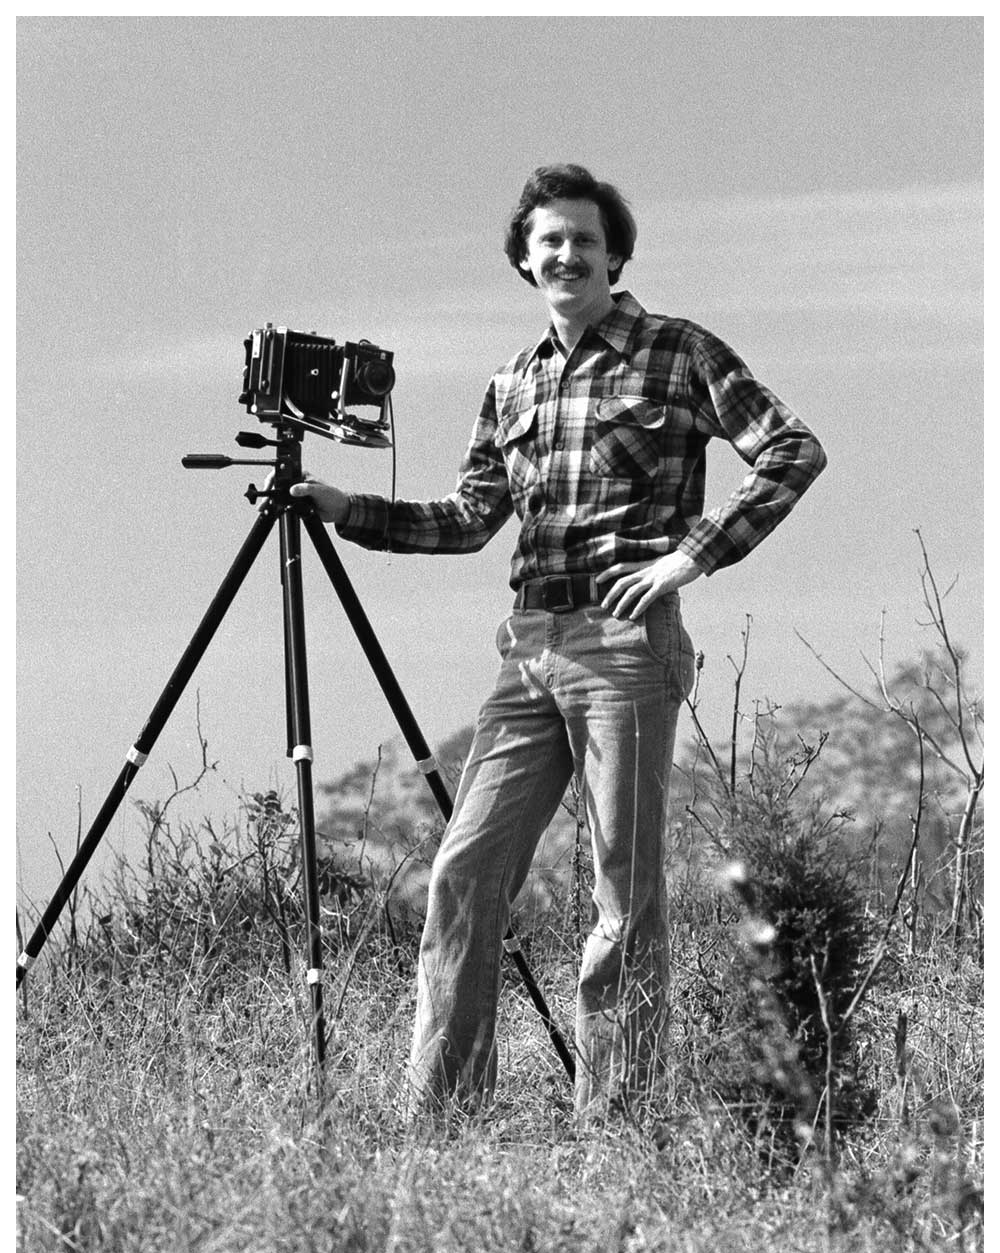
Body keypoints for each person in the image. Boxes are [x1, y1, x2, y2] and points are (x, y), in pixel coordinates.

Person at [291, 163, 827, 1124]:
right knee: (464, 870)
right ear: (525, 262)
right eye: (550, 242)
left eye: (585, 239)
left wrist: (690, 561)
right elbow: (464, 520)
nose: (567, 254)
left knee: (622, 885)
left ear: (614, 254)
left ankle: (615, 1120)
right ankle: (445, 1117)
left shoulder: (677, 350)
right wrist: (344, 507)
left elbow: (792, 449)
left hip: (627, 643)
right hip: (527, 646)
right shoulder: (511, 384)